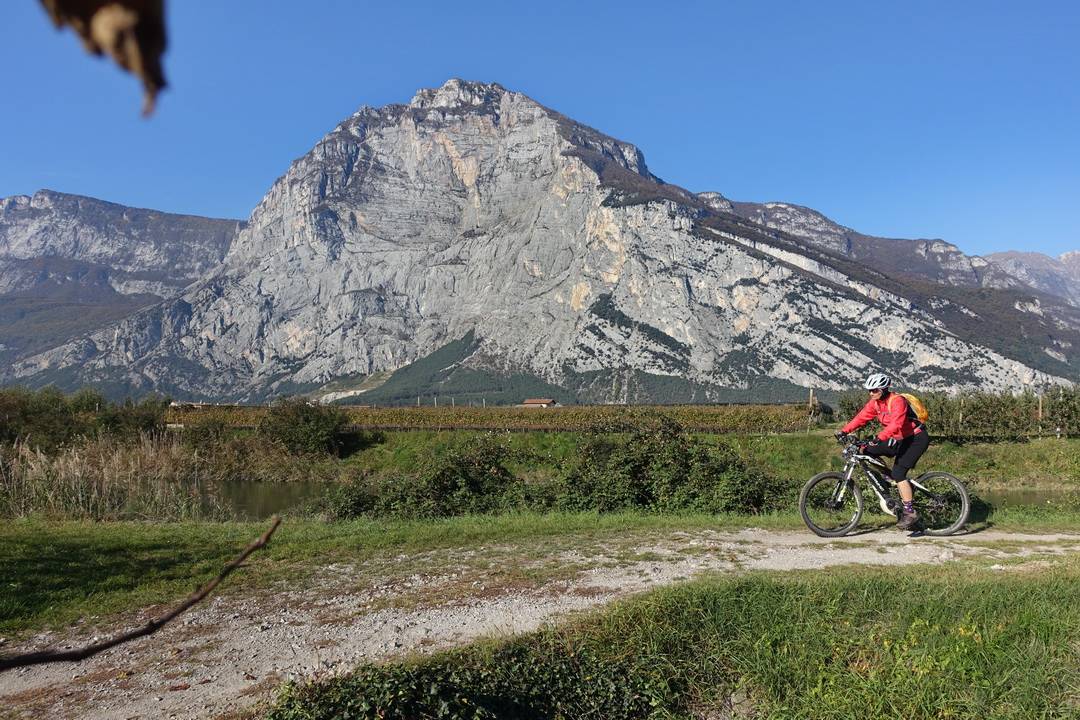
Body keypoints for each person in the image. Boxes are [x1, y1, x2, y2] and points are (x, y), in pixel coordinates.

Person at [834, 373, 928, 530]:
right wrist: (844, 431)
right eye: (869, 390)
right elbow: (861, 417)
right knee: (865, 450)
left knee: (899, 473)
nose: (871, 393)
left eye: (874, 390)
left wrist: (879, 437)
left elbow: (896, 424)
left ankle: (910, 512)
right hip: (898, 438)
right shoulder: (875, 403)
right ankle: (888, 478)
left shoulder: (897, 401)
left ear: (883, 389)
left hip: (915, 439)